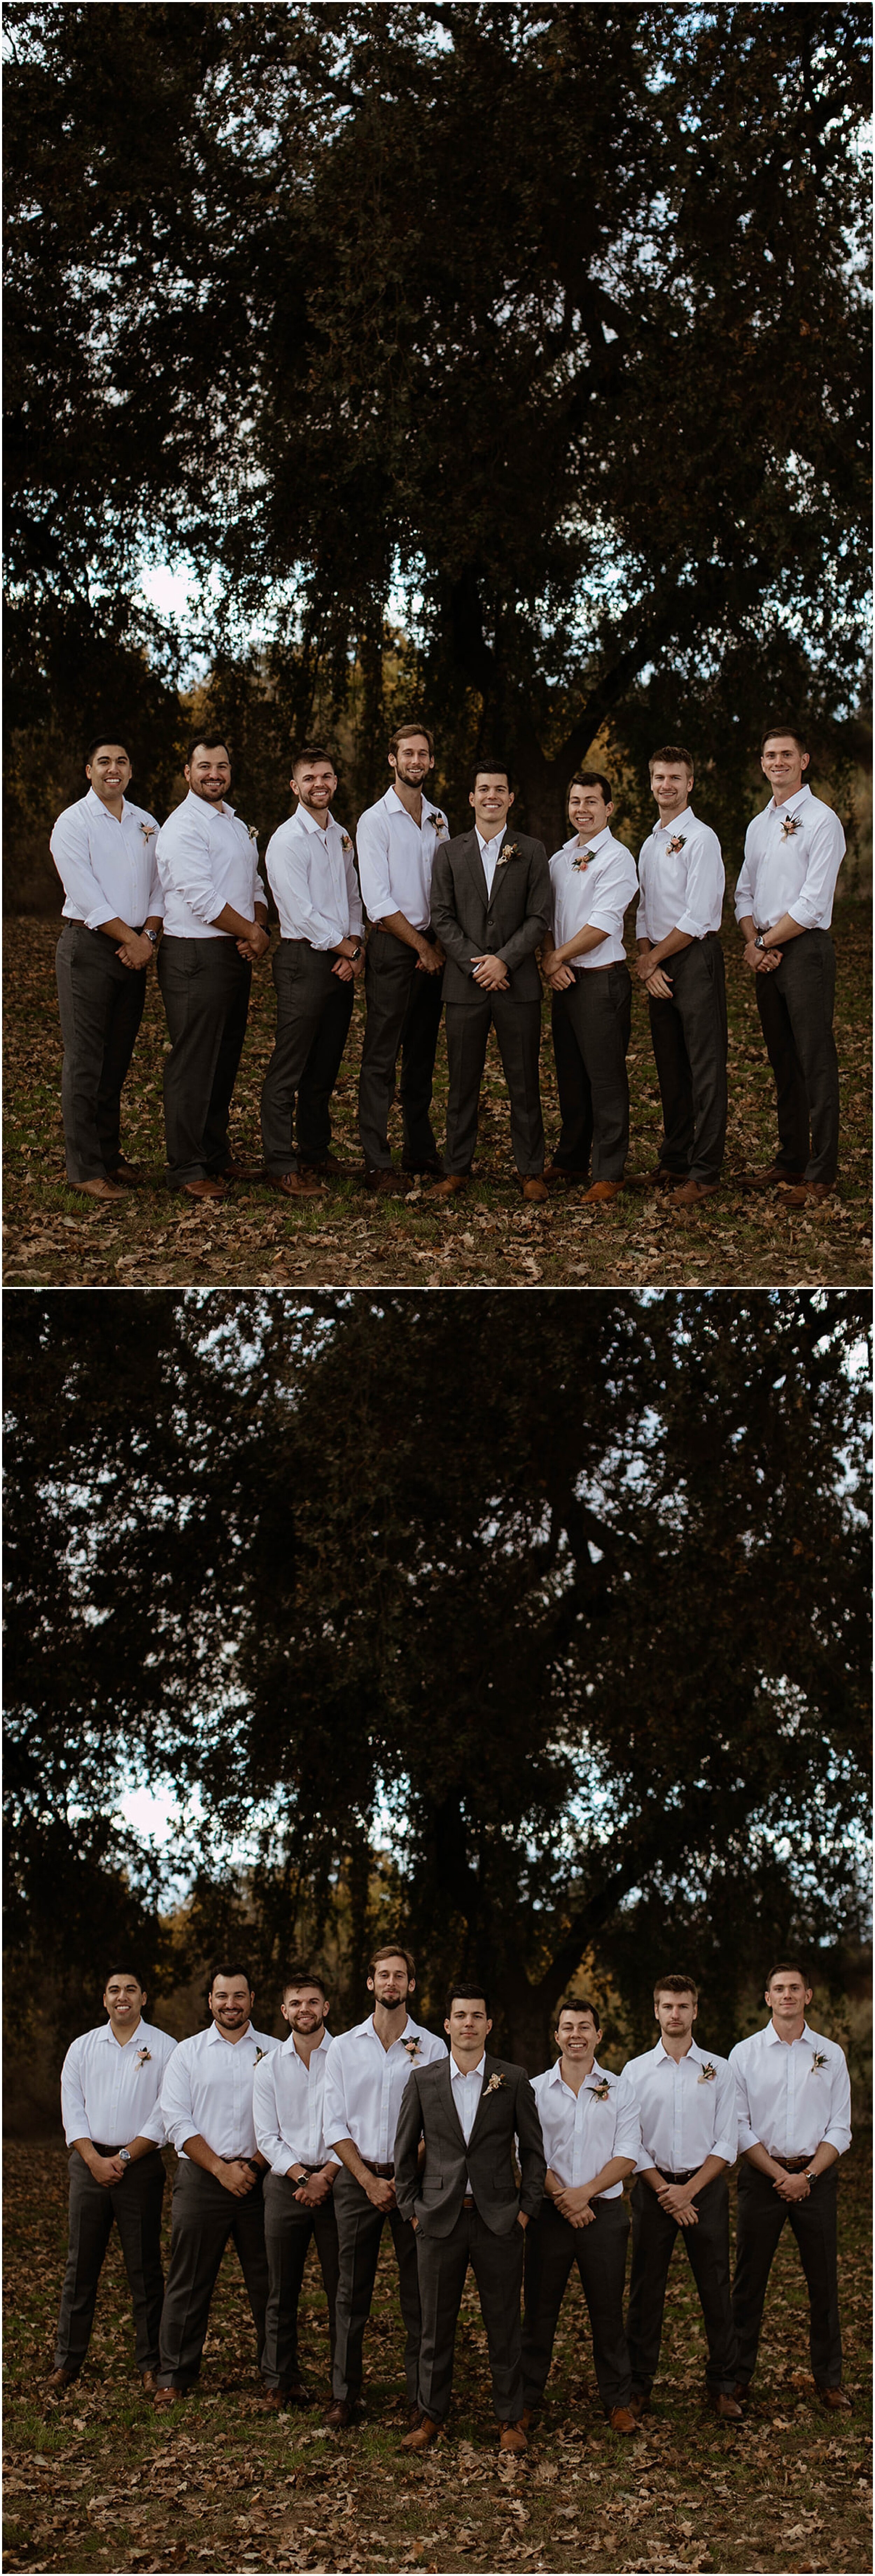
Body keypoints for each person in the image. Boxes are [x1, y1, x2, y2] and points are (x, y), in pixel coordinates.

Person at [394, 1982, 546, 2452]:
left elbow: (535, 2155)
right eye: (460, 2016)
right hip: (438, 2221)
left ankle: (509, 2420)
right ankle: (430, 2415)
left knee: (504, 2325)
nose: (468, 2024)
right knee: (434, 2327)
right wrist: (412, 2212)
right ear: (447, 2025)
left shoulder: (513, 2079)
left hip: (498, 2220)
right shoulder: (423, 2080)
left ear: (488, 2025)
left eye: (477, 2016)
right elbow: (403, 2154)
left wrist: (525, 2213)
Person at [321, 1943, 447, 2427]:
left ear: (412, 1986)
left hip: (415, 2183)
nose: (391, 1983)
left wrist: (399, 2176)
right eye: (383, 1975)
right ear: (370, 1984)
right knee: (350, 2293)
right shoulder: (344, 2048)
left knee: (420, 2295)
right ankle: (344, 2396)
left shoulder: (433, 2048)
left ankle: (421, 2397)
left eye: (400, 1975)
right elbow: (333, 2124)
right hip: (357, 2182)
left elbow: (439, 2126)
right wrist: (369, 2180)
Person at [729, 1961, 853, 2410]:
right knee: (748, 2282)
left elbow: (841, 2127)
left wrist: (808, 2177)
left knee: (823, 2282)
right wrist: (779, 2176)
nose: (786, 1995)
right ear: (767, 1998)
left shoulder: (831, 2054)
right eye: (778, 1988)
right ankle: (737, 2378)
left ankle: (829, 2381)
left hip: (815, 2180)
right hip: (761, 2179)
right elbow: (738, 2126)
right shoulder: (743, 2055)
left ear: (808, 1996)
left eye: (794, 1988)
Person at [47, 1966, 176, 2394]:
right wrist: (94, 2159)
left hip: (139, 2169)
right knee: (80, 2267)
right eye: (114, 1990)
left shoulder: (167, 2048)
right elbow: (73, 2110)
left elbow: (165, 2112)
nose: (123, 1996)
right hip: (88, 2167)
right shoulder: (82, 2048)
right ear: (105, 2000)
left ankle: (150, 2365)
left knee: (144, 2269)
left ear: (144, 1998)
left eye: (131, 1990)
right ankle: (67, 2362)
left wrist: (122, 2157)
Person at [153, 1964, 278, 2401]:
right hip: (202, 2179)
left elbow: (292, 2120)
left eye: (239, 1996)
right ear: (210, 2001)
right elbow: (176, 2120)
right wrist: (221, 2169)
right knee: (188, 2281)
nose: (230, 2004)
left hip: (262, 2180)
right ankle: (174, 2376)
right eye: (222, 1996)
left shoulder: (276, 2051)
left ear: (252, 2000)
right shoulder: (186, 2054)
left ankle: (278, 2377)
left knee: (270, 2281)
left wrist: (254, 2167)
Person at [734, 726, 846, 1206]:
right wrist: (753, 944)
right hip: (767, 955)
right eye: (769, 755)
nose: (777, 762)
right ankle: (791, 1160)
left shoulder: (823, 821)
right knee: (783, 1062)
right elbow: (743, 893)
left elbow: (813, 903)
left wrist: (764, 941)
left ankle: (822, 1175)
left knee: (815, 1061)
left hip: (805, 954)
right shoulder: (759, 825)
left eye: (786, 754)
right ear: (762, 763)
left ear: (804, 761)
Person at [430, 763, 552, 1201]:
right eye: (483, 789)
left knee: (524, 1081)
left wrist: (503, 961)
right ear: (471, 798)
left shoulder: (532, 851)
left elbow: (539, 917)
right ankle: (456, 1169)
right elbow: (441, 917)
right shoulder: (448, 853)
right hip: (464, 987)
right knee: (462, 1082)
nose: (491, 797)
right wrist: (475, 964)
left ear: (511, 798)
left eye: (500, 789)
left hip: (517, 985)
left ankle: (530, 1170)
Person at [50, 736, 163, 1201]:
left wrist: (149, 940)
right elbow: (88, 896)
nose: (112, 769)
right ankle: (84, 1168)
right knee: (85, 1062)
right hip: (90, 948)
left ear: (130, 772)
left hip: (136, 951)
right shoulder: (72, 824)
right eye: (103, 762)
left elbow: (162, 887)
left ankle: (110, 1157)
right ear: (89, 771)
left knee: (115, 1062)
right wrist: (132, 940)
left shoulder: (147, 823)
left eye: (120, 762)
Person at [155, 736, 268, 1199]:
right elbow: (201, 898)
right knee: (194, 1063)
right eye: (205, 767)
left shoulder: (235, 823)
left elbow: (254, 882)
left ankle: (215, 1154)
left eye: (222, 766)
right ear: (188, 773)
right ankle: (185, 1168)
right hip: (194, 956)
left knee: (223, 1062)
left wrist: (257, 924)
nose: (214, 774)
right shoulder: (182, 827)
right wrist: (251, 932)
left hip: (232, 953)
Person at [624, 1974, 741, 2421]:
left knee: (715, 2288)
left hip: (704, 2191)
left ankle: (723, 2385)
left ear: (696, 2011)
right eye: (667, 2006)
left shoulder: (720, 2070)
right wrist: (664, 2192)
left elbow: (727, 2140)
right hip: (653, 2190)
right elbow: (629, 2141)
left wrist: (689, 2191)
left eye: (683, 2006)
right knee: (645, 2290)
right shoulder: (634, 2073)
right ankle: (638, 2386)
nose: (675, 2014)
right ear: (655, 2011)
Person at [521, 1995, 639, 2432]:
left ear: (598, 2034)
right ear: (557, 2035)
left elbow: (628, 2154)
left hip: (603, 2216)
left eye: (584, 2027)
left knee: (607, 2313)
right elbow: (526, 2154)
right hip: (549, 2216)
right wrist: (563, 2198)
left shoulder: (621, 2089)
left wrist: (585, 2194)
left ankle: (618, 2402)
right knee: (538, 2312)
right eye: (568, 2027)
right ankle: (526, 2399)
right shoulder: (533, 2090)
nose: (576, 2035)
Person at [260, 747, 365, 1197]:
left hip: (341, 960)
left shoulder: (341, 834)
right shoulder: (287, 840)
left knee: (325, 1065)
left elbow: (354, 895)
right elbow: (300, 913)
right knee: (290, 1065)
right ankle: (280, 1163)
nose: (318, 784)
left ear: (335, 782)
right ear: (295, 786)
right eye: (309, 778)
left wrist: (355, 944)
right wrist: (347, 948)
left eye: (325, 776)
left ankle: (316, 1151)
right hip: (303, 959)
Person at [356, 721, 449, 1189]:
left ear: (431, 762)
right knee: (381, 1056)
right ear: (392, 760)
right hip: (396, 946)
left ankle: (420, 1150)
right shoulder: (375, 820)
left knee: (421, 1056)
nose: (416, 760)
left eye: (423, 754)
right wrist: (419, 947)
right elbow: (378, 900)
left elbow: (445, 887)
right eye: (407, 753)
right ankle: (376, 1161)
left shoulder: (439, 819)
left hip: (433, 946)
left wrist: (438, 946)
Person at [636, 747, 727, 1205]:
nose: (665, 785)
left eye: (675, 777)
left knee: (705, 1067)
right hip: (660, 960)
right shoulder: (650, 843)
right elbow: (645, 911)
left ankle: (706, 1171)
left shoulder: (702, 839)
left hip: (695, 960)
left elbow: (698, 916)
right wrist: (647, 955)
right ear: (650, 782)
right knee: (671, 1067)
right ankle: (674, 1161)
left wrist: (654, 961)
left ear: (690, 784)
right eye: (658, 777)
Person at [541, 774, 638, 1203]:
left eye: (592, 802)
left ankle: (610, 1170)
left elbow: (603, 923)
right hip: (565, 980)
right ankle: (571, 1158)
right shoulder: (559, 859)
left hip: (601, 981)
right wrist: (553, 963)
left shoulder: (617, 858)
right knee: (571, 1077)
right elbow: (543, 919)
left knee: (605, 1079)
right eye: (575, 800)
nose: (582, 808)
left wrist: (557, 957)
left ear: (609, 808)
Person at [253, 1965, 341, 2409]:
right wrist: (303, 2177)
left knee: (340, 2290)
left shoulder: (346, 2057)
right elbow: (266, 2136)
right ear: (283, 2010)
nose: (304, 2010)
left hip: (340, 2183)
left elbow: (356, 2123)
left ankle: (342, 2387)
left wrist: (327, 2173)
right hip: (285, 2186)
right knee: (280, 2289)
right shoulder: (268, 2066)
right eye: (296, 2003)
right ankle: (278, 2380)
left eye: (312, 2002)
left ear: (325, 2008)